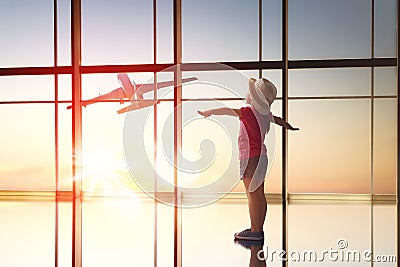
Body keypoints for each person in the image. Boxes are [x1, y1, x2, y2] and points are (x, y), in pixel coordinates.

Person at [198, 77, 299, 241]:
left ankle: (254, 231)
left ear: (252, 96)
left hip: (249, 158)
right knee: (259, 194)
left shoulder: (246, 111)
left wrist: (210, 112)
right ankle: (258, 228)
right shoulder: (266, 115)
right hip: (262, 157)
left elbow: (227, 110)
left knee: (251, 194)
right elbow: (279, 120)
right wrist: (289, 126)